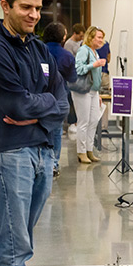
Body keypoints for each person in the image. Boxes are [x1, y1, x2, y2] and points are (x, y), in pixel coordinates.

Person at [0, 0, 68, 266]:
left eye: (38, 8)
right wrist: (44, 104)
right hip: (10, 153)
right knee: (15, 248)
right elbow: (16, 104)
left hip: (43, 151)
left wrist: (36, 109)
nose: (34, 15)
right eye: (26, 7)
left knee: (22, 241)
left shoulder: (38, 49)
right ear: (5, 5)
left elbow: (62, 102)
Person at [42, 21, 77, 178]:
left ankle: (40, 162)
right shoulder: (67, 56)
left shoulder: (37, 51)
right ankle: (53, 163)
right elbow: (73, 78)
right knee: (56, 131)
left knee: (40, 130)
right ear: (63, 38)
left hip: (38, 97)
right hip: (58, 97)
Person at [70, 26, 107, 164]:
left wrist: (97, 93)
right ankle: (81, 152)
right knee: (83, 122)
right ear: (90, 37)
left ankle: (89, 150)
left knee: (93, 122)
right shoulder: (83, 50)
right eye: (99, 37)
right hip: (83, 91)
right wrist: (94, 64)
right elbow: (78, 69)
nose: (101, 40)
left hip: (93, 91)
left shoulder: (94, 52)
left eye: (102, 37)